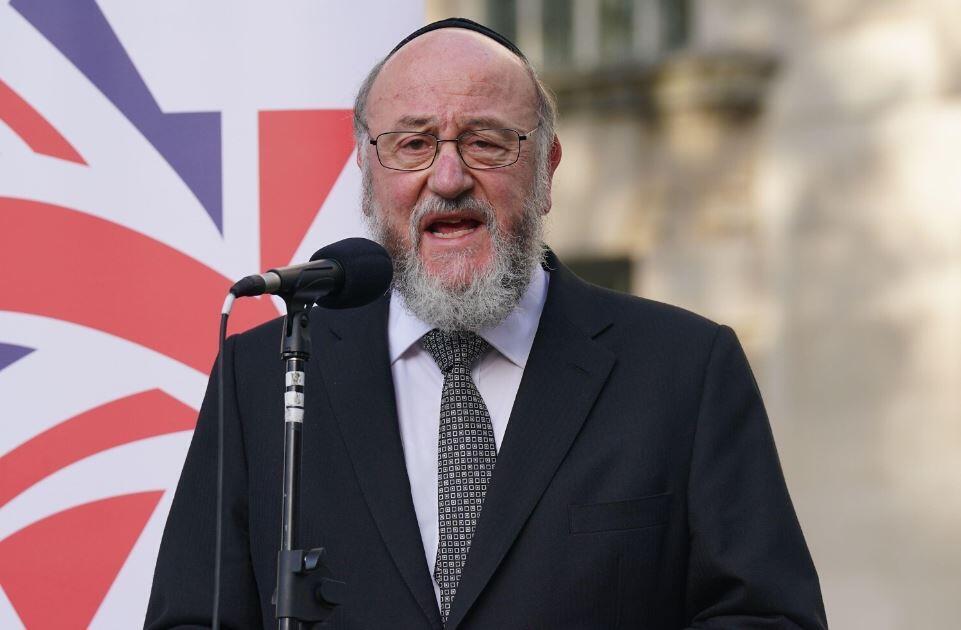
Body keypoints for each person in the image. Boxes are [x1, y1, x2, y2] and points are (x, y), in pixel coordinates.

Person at [146, 18, 827, 630]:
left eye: (486, 143)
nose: (447, 176)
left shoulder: (683, 368)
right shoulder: (267, 373)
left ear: (546, 168)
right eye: (411, 143)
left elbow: (767, 618)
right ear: (366, 172)